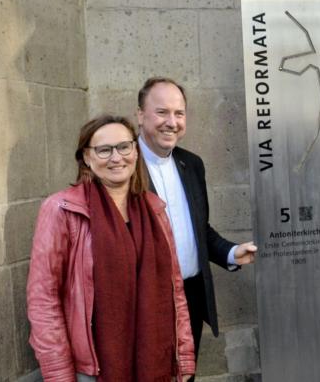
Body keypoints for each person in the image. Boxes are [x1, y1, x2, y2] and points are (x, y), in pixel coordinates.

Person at [27, 115, 195, 381]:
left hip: (154, 360)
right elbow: (43, 300)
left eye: (124, 147)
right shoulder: (62, 210)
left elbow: (175, 289)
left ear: (136, 152)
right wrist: (59, 373)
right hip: (91, 370)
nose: (116, 158)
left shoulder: (155, 208)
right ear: (87, 157)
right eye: (104, 150)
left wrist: (184, 356)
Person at [136, 77, 257, 363]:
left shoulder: (192, 164)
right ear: (140, 115)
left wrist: (231, 252)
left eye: (179, 113)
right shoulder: (123, 166)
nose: (172, 122)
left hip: (189, 297)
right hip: (144, 304)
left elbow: (199, 229)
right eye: (162, 112)